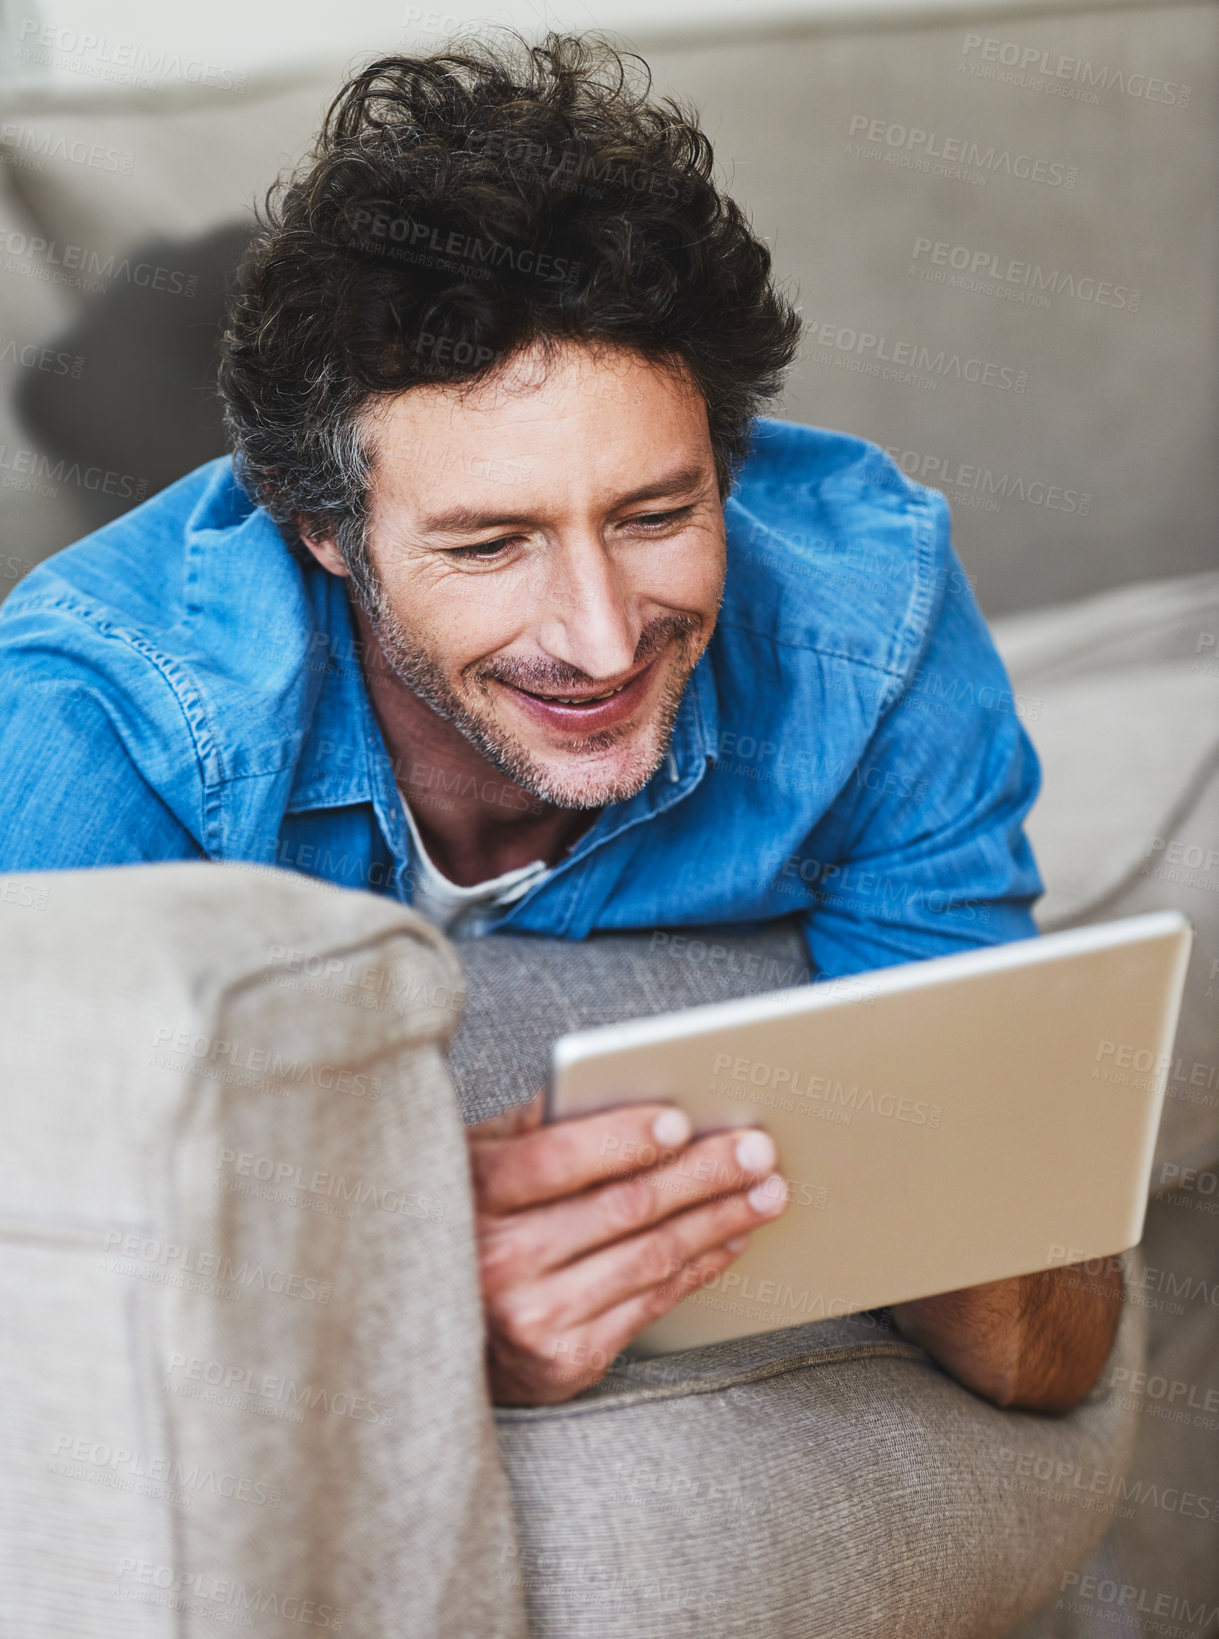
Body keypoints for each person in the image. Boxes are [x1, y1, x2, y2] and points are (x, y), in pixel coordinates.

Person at [0, 31, 1121, 1407]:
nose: (602, 639)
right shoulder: (99, 716)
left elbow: (1055, 1348)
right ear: (323, 535)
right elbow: (48, 1320)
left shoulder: (862, 625)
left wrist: (962, 1204)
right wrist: (404, 1304)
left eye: (658, 514)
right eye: (491, 545)